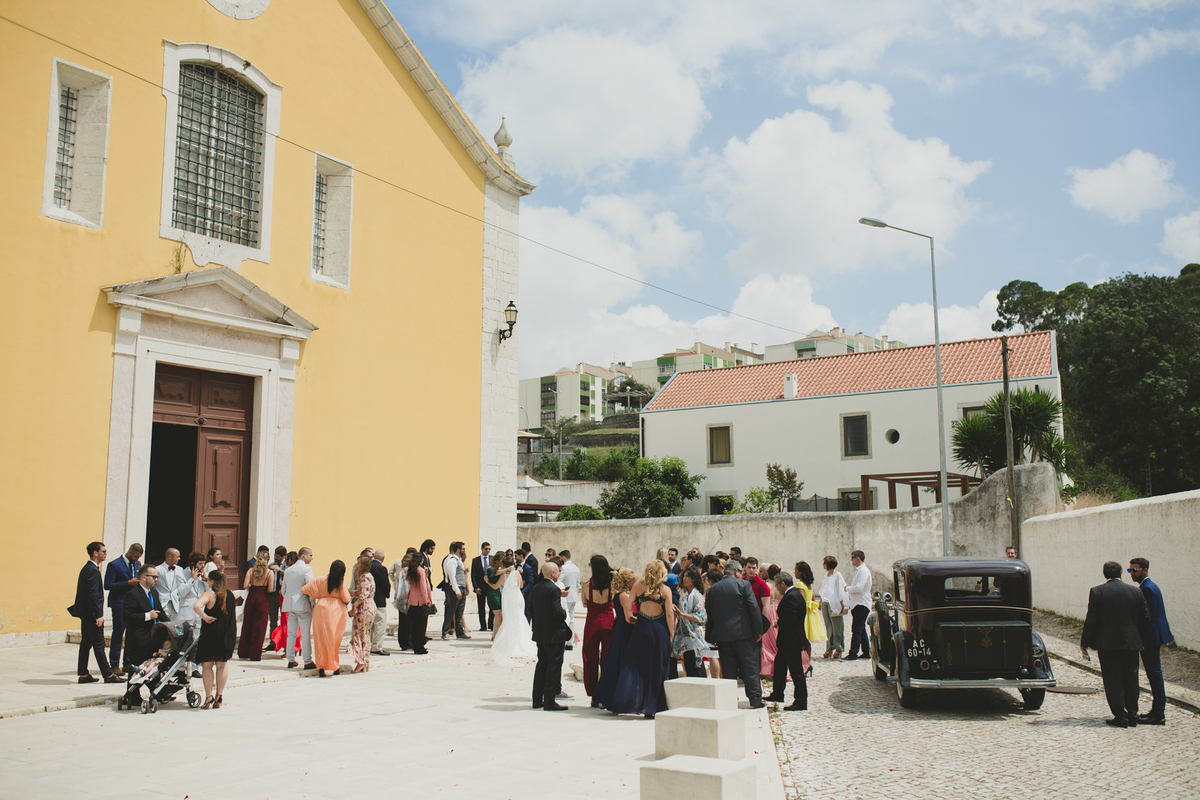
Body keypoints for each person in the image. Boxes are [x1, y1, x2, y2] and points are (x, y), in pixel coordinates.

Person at [1080, 561, 1151, 728]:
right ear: (1121, 573)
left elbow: (1092, 619)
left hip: (1108, 643)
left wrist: (1085, 642)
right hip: (1131, 643)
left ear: (1105, 574)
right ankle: (1133, 714)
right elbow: (1145, 619)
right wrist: (1137, 636)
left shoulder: (1098, 592)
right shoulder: (1136, 591)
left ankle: (1120, 715)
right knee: (1131, 678)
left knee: (1113, 680)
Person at [605, 561, 676, 718]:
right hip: (659, 629)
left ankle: (627, 702)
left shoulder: (637, 586)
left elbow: (629, 607)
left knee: (636, 665)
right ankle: (653, 706)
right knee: (658, 667)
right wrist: (672, 633)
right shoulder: (665, 590)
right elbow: (670, 614)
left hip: (641, 628)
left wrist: (635, 617)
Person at [705, 564, 765, 708]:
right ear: (736, 571)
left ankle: (729, 700)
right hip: (744, 634)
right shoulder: (743, 585)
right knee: (750, 667)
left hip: (723, 636)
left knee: (728, 670)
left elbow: (710, 614)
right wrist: (758, 630)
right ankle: (755, 698)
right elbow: (753, 608)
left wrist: (710, 636)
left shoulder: (713, 589)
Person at [1129, 557, 1173, 725]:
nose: (1132, 573)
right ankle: (1157, 711)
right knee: (1154, 674)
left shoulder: (1147, 589)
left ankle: (1159, 713)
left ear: (1145, 570)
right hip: (1153, 636)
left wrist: (1143, 641)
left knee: (1154, 675)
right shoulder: (1149, 586)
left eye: (1135, 570)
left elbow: (1148, 619)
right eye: (1130, 570)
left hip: (1151, 638)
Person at [71, 542, 119, 684]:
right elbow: (93, 594)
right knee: (98, 643)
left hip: (86, 613)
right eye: (103, 551)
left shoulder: (89, 568)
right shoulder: (91, 570)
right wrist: (98, 615)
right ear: (95, 553)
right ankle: (108, 675)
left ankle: (84, 674)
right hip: (91, 614)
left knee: (86, 643)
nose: (106, 553)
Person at [591, 568, 638, 709]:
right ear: (628, 581)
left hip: (621, 629)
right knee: (619, 664)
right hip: (625, 631)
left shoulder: (620, 594)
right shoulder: (625, 596)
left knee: (615, 663)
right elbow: (630, 617)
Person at [194, 569, 237, 709]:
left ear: (212, 581)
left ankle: (208, 697)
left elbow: (196, 606)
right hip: (227, 633)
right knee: (222, 665)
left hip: (211, 633)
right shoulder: (230, 595)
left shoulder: (210, 594)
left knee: (207, 666)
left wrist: (205, 617)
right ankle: (219, 695)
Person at [767, 571, 810, 711]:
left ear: (783, 584)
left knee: (796, 671)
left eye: (777, 585)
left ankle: (801, 701)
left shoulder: (791, 596)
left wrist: (779, 623)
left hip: (791, 640)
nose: (776, 588)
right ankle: (778, 693)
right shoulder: (793, 595)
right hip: (787, 640)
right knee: (779, 666)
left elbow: (791, 619)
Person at [530, 562, 571, 710]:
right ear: (553, 573)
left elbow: (531, 609)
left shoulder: (536, 587)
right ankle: (549, 701)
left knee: (542, 665)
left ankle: (536, 700)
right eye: (557, 572)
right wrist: (564, 611)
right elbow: (557, 613)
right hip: (554, 635)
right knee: (554, 666)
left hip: (540, 633)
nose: (559, 574)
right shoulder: (554, 589)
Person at [303, 560, 352, 677]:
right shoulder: (340, 582)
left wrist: (319, 595)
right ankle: (334, 666)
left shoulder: (321, 579)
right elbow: (346, 598)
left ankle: (321, 666)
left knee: (320, 639)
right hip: (336, 611)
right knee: (334, 640)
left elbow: (305, 588)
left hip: (320, 609)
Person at [104, 542, 143, 674]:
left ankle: (127, 662)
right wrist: (127, 583)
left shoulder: (137, 564)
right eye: (136, 557)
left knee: (131, 634)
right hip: (119, 602)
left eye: (139, 558)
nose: (137, 560)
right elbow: (108, 584)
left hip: (133, 603)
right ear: (130, 552)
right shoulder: (114, 565)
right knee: (118, 634)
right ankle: (114, 664)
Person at [492, 554, 537, 664]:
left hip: (508, 598)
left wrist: (488, 581)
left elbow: (496, 586)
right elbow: (521, 586)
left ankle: (510, 643)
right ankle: (524, 643)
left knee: (509, 619)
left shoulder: (504, 575)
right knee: (519, 617)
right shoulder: (517, 573)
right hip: (518, 597)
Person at [582, 555, 616, 695]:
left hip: (593, 621)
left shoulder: (586, 585)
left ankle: (593, 692)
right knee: (607, 657)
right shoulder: (612, 585)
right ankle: (607, 690)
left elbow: (584, 604)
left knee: (590, 657)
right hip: (608, 621)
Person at [123, 564, 166, 668]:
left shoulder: (154, 593)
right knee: (137, 672)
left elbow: (160, 612)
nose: (156, 580)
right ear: (143, 577)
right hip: (139, 640)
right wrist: (147, 616)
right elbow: (127, 616)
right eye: (153, 577)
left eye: (157, 577)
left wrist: (172, 626)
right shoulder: (133, 594)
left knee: (153, 672)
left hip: (153, 639)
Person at [237, 552, 275, 661]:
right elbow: (271, 589)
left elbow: (245, 585)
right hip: (262, 597)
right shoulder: (269, 573)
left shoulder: (250, 570)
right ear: (268, 560)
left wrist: (252, 587)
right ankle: (255, 654)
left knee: (247, 624)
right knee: (259, 627)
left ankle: (244, 652)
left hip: (252, 596)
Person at [673, 565, 708, 679]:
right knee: (689, 666)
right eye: (684, 576)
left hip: (694, 635)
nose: (684, 578)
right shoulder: (685, 595)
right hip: (686, 637)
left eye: (688, 576)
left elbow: (700, 617)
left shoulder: (696, 595)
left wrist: (682, 614)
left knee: (697, 667)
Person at [175, 553, 207, 677]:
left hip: (199, 613)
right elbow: (181, 593)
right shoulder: (181, 574)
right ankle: (180, 667)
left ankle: (194, 667)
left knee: (197, 641)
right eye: (200, 563)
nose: (203, 566)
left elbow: (208, 592)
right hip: (186, 612)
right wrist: (191, 579)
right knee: (182, 641)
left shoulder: (203, 576)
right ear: (193, 564)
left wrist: (205, 580)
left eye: (203, 563)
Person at [283, 548, 315, 669]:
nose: (312, 558)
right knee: (305, 633)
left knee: (291, 633)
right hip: (302, 604)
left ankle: (290, 659)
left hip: (290, 604)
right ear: (304, 555)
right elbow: (310, 587)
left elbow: (283, 589)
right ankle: (307, 661)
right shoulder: (307, 569)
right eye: (310, 555)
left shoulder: (288, 570)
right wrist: (312, 603)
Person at [795, 561, 825, 674]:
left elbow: (800, 600)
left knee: (800, 640)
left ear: (801, 572)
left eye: (796, 570)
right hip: (811, 614)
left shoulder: (799, 585)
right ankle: (808, 664)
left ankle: (803, 664)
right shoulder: (809, 585)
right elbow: (812, 599)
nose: (794, 572)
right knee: (806, 642)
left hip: (803, 614)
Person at [842, 550, 872, 661]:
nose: (851, 559)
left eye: (853, 557)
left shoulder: (863, 571)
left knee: (856, 630)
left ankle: (853, 653)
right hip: (857, 604)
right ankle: (866, 651)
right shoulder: (859, 571)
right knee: (861, 629)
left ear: (858, 558)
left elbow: (859, 588)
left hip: (861, 604)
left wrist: (847, 588)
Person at [818, 556, 848, 659]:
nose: (823, 565)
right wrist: (821, 601)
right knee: (829, 627)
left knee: (837, 627)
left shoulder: (837, 575)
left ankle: (839, 648)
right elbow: (824, 588)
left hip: (834, 603)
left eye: (824, 563)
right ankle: (829, 647)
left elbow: (840, 589)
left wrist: (841, 603)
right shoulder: (826, 575)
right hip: (825, 601)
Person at [350, 554, 375, 674]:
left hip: (365, 608)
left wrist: (354, 605)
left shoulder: (364, 578)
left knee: (361, 634)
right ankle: (363, 659)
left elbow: (363, 595)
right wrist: (349, 592)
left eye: (359, 563)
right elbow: (360, 592)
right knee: (364, 633)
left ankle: (362, 661)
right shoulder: (366, 577)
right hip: (368, 606)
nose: (357, 565)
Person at [406, 552, 434, 655]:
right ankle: (419, 647)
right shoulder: (420, 571)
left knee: (414, 627)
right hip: (420, 602)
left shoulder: (412, 570)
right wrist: (427, 600)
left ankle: (415, 646)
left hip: (413, 601)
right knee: (421, 627)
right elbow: (423, 587)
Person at [441, 541, 469, 640]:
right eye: (463, 549)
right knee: (451, 611)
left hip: (462, 587)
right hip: (456, 588)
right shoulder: (452, 561)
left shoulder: (459, 560)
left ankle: (460, 632)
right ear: (458, 550)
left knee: (459, 612)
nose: (464, 550)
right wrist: (457, 591)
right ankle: (445, 631)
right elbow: (452, 577)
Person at [391, 549, 415, 651]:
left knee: (402, 622)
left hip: (400, 599)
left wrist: (397, 597)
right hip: (409, 598)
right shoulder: (410, 572)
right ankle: (409, 642)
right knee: (410, 622)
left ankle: (403, 643)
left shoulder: (400, 572)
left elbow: (397, 586)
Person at [760, 566, 783, 678]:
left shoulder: (767, 586)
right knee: (776, 640)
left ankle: (768, 669)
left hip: (769, 611)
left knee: (767, 642)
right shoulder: (779, 587)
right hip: (778, 611)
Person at [154, 548, 186, 622]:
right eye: (177, 556)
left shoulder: (180, 570)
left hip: (176, 605)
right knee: (162, 629)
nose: (179, 558)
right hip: (163, 604)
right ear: (169, 557)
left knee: (176, 631)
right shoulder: (157, 569)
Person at [369, 549, 390, 656]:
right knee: (380, 624)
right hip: (379, 599)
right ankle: (377, 646)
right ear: (383, 558)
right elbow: (385, 584)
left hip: (369, 599)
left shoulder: (367, 567)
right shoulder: (381, 568)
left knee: (370, 625)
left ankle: (369, 645)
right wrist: (387, 594)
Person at [558, 550, 581, 649]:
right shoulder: (576, 568)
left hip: (565, 596)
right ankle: (570, 642)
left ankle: (564, 639)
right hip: (574, 596)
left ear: (563, 558)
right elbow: (577, 583)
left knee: (564, 618)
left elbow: (558, 580)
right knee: (571, 619)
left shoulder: (563, 568)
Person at [471, 542, 493, 633]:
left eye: (489, 549)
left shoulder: (492, 559)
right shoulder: (475, 560)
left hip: (490, 586)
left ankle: (491, 624)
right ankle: (483, 626)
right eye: (486, 549)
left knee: (492, 606)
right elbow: (473, 575)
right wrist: (475, 587)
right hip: (480, 587)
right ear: (482, 549)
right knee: (481, 607)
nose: (487, 550)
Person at [484, 552, 507, 641]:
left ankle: (496, 634)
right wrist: (508, 569)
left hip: (498, 592)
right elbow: (496, 573)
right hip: (492, 594)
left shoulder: (500, 569)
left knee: (500, 615)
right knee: (498, 615)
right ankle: (495, 635)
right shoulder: (490, 569)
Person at [520, 542, 539, 620]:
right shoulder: (533, 558)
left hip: (529, 588)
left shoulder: (530, 560)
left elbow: (531, 575)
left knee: (527, 610)